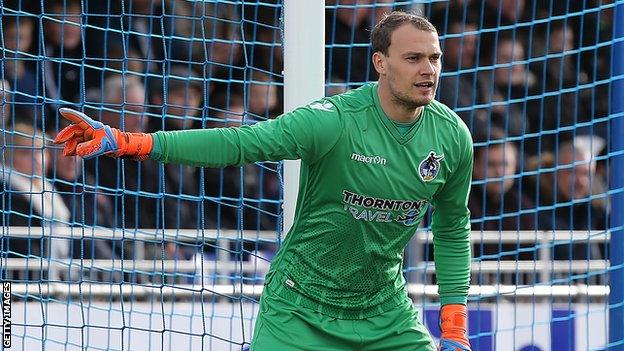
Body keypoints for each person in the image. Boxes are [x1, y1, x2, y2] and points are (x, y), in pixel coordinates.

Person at [53, 12, 473, 351]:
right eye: (414, 58)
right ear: (381, 63)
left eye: (434, 58)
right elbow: (240, 142)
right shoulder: (335, 121)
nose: (428, 70)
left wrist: (454, 325)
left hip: (384, 312)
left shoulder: (452, 137)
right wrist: (130, 141)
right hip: (300, 310)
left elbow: (453, 227)